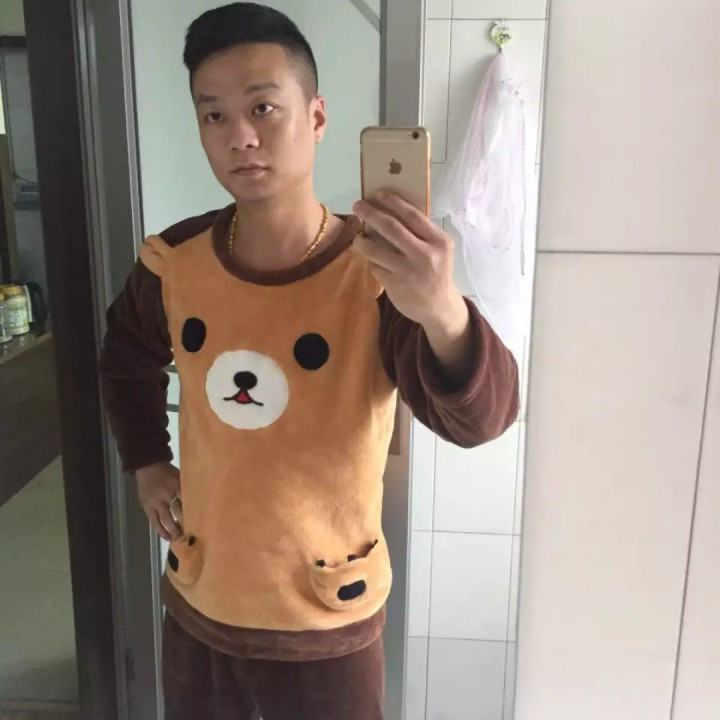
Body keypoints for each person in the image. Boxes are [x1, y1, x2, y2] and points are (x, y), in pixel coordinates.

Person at [99, 3, 519, 718]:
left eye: (263, 107)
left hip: (327, 620)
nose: (241, 136)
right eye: (214, 115)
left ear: (317, 117)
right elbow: (125, 357)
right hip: (203, 601)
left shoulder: (376, 274)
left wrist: (442, 310)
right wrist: (146, 461)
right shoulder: (174, 264)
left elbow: (481, 420)